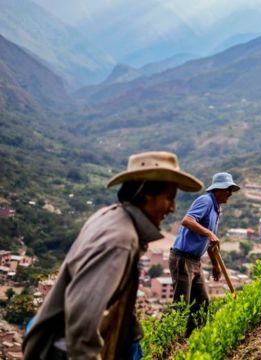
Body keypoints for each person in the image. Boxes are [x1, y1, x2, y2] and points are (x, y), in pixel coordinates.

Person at [22, 151, 203, 360]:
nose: (172, 208)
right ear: (147, 194)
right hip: (61, 351)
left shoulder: (110, 216)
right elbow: (82, 326)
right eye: (169, 198)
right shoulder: (121, 241)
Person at [169, 172, 240, 335]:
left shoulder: (216, 210)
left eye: (231, 190)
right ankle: (170, 341)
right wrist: (209, 233)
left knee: (202, 302)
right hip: (182, 258)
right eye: (227, 189)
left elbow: (211, 242)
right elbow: (187, 220)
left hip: (195, 261)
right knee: (181, 304)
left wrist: (215, 265)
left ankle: (192, 339)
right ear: (217, 189)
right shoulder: (206, 201)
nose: (230, 193)